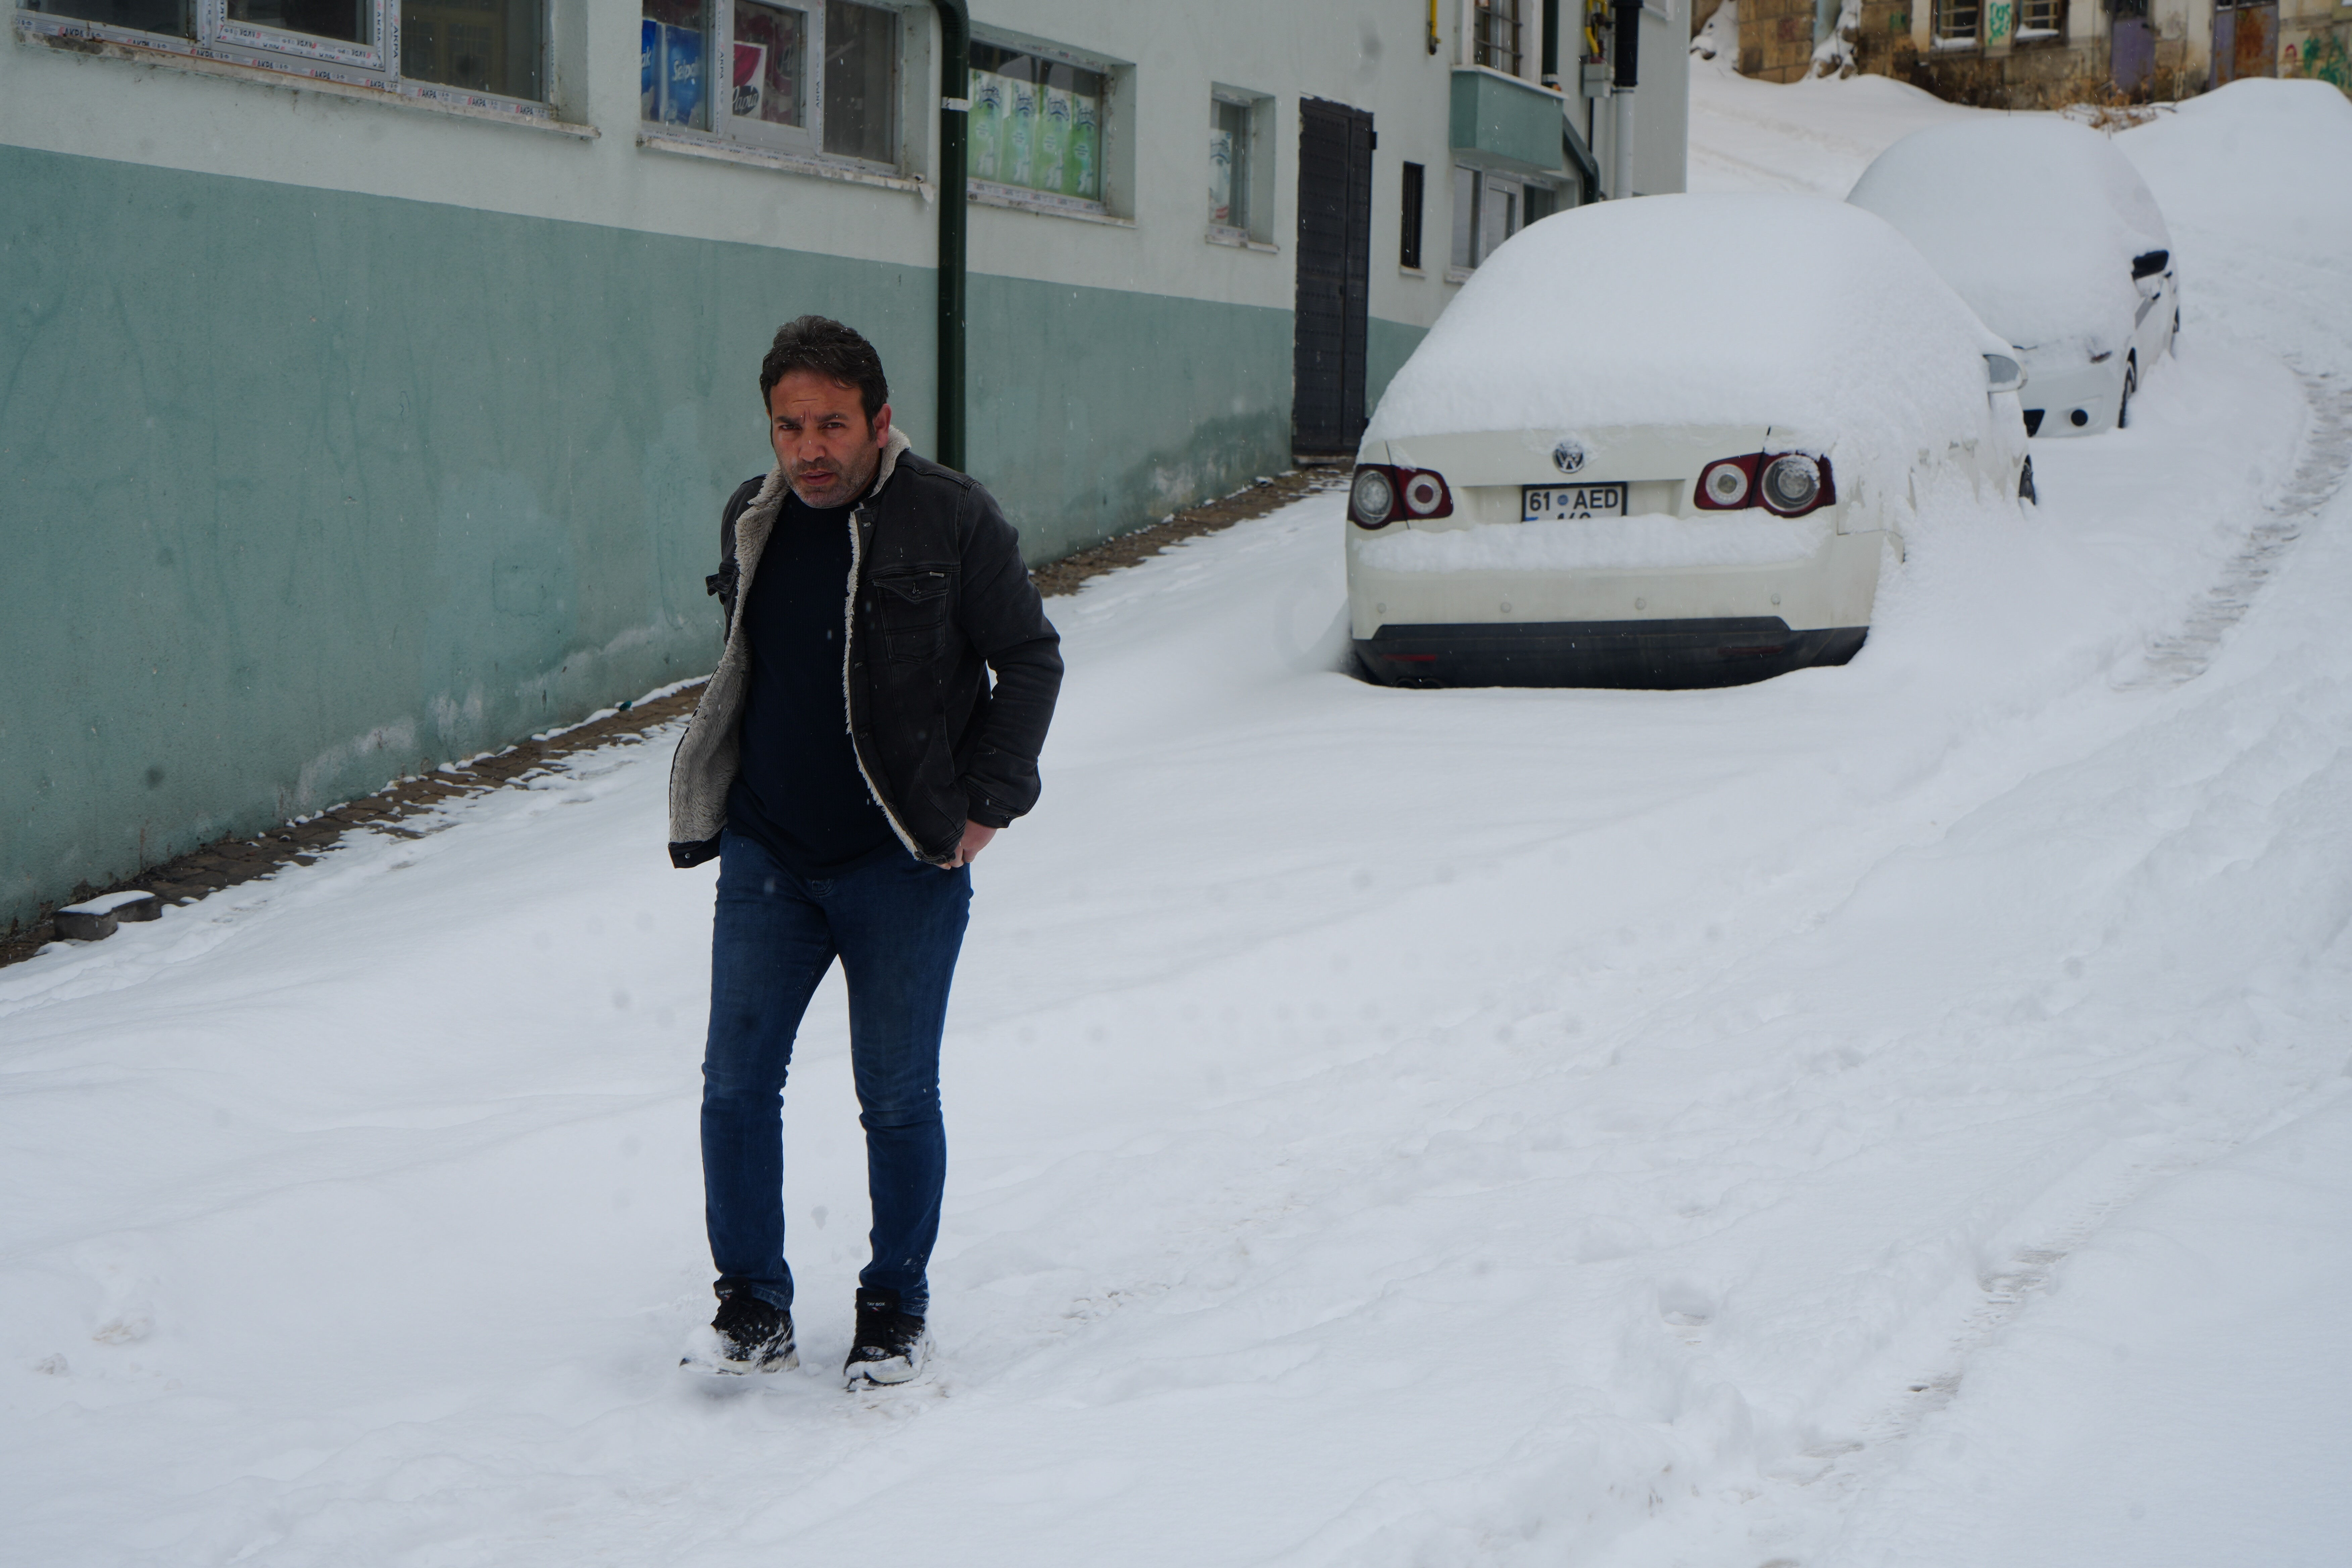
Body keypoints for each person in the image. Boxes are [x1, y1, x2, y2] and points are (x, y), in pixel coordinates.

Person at [667, 315, 1062, 1385]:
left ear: (880, 421)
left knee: (894, 1097)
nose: (809, 449)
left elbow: (1030, 660)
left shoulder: (952, 516)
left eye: (832, 425)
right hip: (770, 855)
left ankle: (894, 1307)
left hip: (903, 862)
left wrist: (985, 807)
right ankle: (753, 1306)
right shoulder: (753, 517)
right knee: (734, 1087)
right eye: (789, 426)